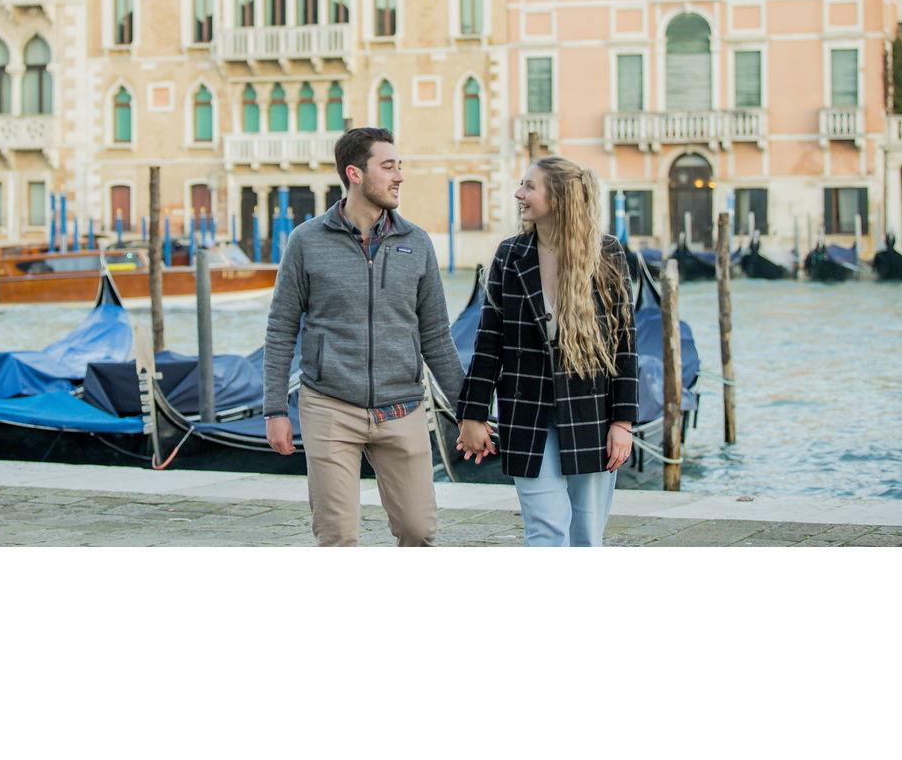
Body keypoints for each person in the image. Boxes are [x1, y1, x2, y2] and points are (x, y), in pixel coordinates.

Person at [262, 127, 465, 547]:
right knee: (337, 535)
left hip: (402, 407)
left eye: (399, 166)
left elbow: (436, 336)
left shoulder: (417, 243)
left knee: (419, 530)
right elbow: (281, 328)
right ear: (355, 174)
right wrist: (275, 410)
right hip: (329, 406)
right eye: (388, 167)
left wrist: (468, 411)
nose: (399, 176)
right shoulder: (306, 241)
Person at [456, 155, 637, 547]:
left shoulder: (607, 254)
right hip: (527, 412)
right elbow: (488, 341)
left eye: (529, 186)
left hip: (591, 412)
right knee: (545, 531)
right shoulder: (510, 255)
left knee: (586, 536)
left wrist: (623, 423)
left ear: (557, 198)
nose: (518, 194)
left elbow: (625, 344)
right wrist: (472, 414)